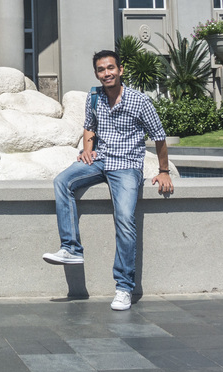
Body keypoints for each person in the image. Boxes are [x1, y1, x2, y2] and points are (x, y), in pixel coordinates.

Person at [43, 49, 174, 311]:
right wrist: (87, 149)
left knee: (124, 219)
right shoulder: (94, 97)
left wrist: (164, 171)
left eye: (111, 68)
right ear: (96, 74)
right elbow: (89, 125)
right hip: (101, 160)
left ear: (120, 70)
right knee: (62, 181)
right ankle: (71, 248)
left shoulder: (139, 101)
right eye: (101, 70)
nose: (106, 73)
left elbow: (159, 136)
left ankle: (124, 288)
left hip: (127, 166)